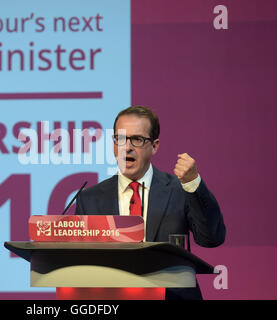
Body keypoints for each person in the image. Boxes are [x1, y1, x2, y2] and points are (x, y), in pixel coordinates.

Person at [75, 105, 226, 300]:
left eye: (137, 139)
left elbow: (211, 238)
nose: (127, 147)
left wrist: (193, 183)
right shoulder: (89, 199)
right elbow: (81, 265)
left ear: (154, 146)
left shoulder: (179, 190)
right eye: (120, 139)